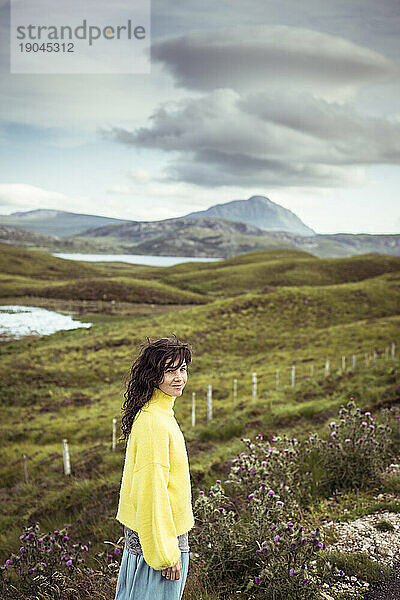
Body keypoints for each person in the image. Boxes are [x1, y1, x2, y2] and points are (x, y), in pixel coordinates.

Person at [114, 335, 194, 600]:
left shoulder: (158, 413)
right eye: (169, 370)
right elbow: (152, 491)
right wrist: (165, 554)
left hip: (158, 537)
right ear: (152, 375)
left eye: (182, 369)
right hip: (159, 544)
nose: (179, 377)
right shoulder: (154, 423)